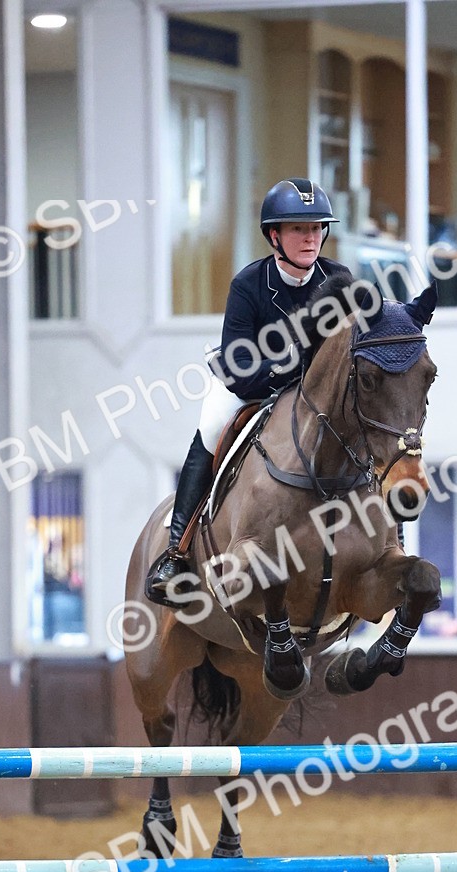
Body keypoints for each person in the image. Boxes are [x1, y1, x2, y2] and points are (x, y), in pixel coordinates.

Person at [146, 177, 353, 601]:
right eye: (298, 229)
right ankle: (176, 551)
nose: (310, 238)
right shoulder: (249, 284)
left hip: (312, 397)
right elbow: (241, 368)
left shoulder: (338, 278)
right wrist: (296, 369)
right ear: (274, 236)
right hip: (250, 388)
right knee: (210, 428)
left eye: (316, 228)